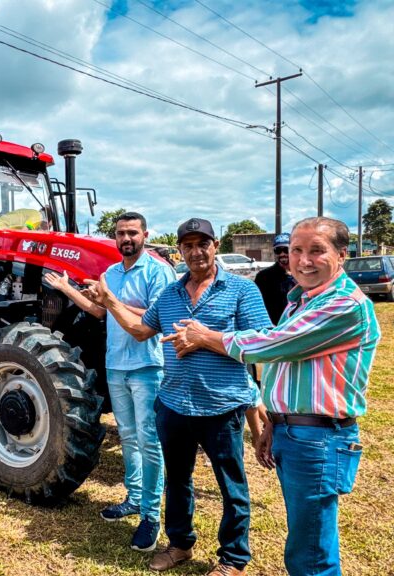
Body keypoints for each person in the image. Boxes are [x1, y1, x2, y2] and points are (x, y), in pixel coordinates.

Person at [170, 217, 381, 576]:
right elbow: (285, 364)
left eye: (317, 250)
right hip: (295, 431)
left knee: (310, 553)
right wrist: (273, 422)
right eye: (296, 250)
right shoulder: (301, 300)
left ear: (342, 255)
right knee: (305, 537)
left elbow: (271, 345)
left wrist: (206, 337)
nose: (303, 260)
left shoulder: (344, 305)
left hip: (319, 439)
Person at [85, 217, 272, 575]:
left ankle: (233, 558)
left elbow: (262, 344)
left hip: (222, 405)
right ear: (180, 250)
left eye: (203, 244)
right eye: (188, 245)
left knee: (230, 485)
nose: (196, 252)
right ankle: (180, 543)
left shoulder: (241, 290)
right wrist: (109, 299)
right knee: (178, 480)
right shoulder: (170, 294)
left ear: (215, 246)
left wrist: (206, 338)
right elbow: (141, 330)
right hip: (174, 404)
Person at [44, 211, 175, 552]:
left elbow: (151, 319)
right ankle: (133, 499)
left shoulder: (159, 272)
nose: (126, 238)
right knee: (129, 437)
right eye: (121, 233)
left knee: (149, 441)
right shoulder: (112, 273)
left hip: (148, 366)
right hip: (116, 365)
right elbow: (100, 311)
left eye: (132, 232)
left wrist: (111, 299)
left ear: (145, 235)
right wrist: (66, 288)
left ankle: (151, 515)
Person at [254, 233, 296, 325]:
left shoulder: (304, 274)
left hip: (299, 327)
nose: (282, 254)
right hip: (274, 328)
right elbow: (257, 306)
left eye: (286, 250)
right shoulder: (264, 276)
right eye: (278, 250)